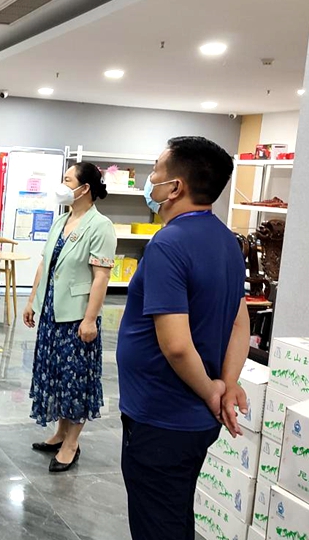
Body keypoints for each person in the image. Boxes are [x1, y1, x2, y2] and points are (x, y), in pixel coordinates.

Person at [117, 136, 250, 540]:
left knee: (158, 523)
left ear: (175, 187)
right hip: (193, 422)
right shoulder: (227, 241)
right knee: (174, 513)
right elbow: (239, 323)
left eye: (156, 170)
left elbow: (175, 345)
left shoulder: (169, 244)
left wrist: (211, 391)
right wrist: (228, 384)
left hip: (162, 416)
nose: (150, 179)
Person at [23, 162, 116, 472]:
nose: (62, 186)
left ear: (85, 188)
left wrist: (90, 320)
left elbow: (101, 277)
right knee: (57, 375)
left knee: (75, 379)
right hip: (52, 313)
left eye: (67, 180)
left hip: (77, 317)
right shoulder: (62, 220)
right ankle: (60, 433)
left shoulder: (100, 226)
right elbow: (45, 264)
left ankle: (72, 444)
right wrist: (32, 302)